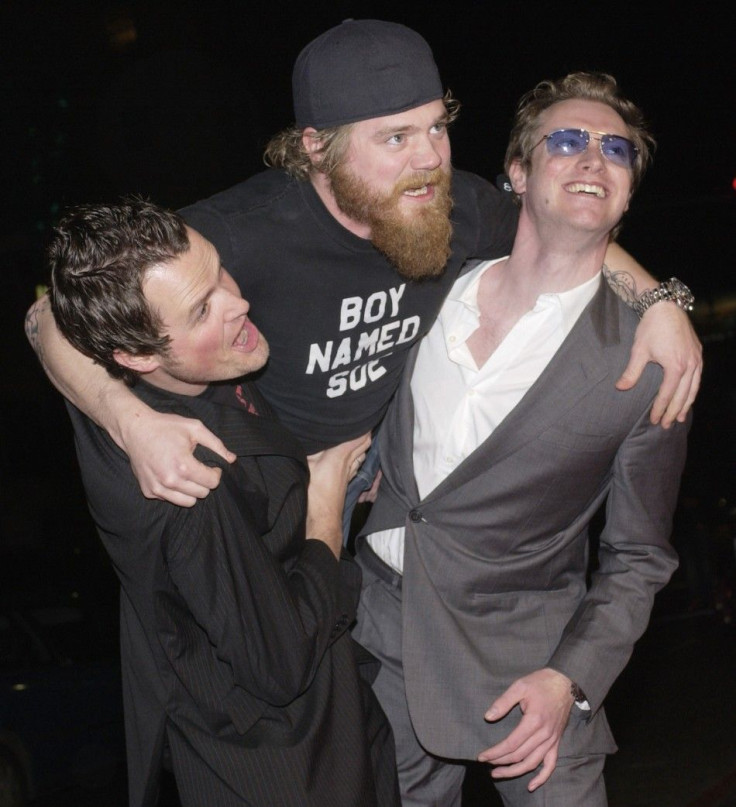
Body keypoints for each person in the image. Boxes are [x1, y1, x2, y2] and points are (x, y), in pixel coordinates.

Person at [25, 20, 701, 527]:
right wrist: (128, 421)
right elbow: (52, 314)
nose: (429, 159)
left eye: (436, 128)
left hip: (377, 474)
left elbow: (562, 234)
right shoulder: (246, 229)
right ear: (317, 147)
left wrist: (663, 301)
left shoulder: (454, 203)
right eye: (395, 138)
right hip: (254, 488)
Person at [351, 72, 691, 806]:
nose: (593, 159)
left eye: (617, 151)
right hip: (384, 643)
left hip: (531, 672)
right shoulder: (427, 287)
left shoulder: (650, 360)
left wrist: (570, 680)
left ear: (628, 192)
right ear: (517, 172)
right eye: (567, 141)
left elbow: (639, 557)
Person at [46, 198, 400, 807]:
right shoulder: (189, 482)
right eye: (202, 308)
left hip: (334, 728)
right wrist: (326, 496)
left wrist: (125, 416)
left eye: (218, 272)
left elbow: (39, 319)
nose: (238, 302)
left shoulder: (150, 385)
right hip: (287, 768)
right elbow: (281, 663)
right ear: (136, 357)